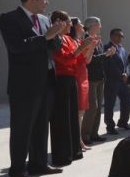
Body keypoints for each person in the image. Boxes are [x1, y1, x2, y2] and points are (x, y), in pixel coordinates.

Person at [0, 0, 67, 177]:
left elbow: (53, 47)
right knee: (22, 128)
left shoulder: (45, 20)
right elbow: (17, 47)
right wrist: (46, 37)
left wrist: (57, 35)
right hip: (24, 85)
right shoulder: (9, 19)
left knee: (41, 126)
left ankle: (39, 164)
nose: (47, 2)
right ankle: (17, 170)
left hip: (46, 81)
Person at [50, 10, 96, 166]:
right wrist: (81, 48)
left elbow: (80, 59)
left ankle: (74, 150)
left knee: (72, 117)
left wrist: (89, 47)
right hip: (61, 80)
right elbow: (64, 60)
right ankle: (63, 154)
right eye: (68, 23)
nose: (70, 26)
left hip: (72, 79)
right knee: (63, 118)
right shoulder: (55, 39)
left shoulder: (68, 39)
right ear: (60, 22)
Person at [81, 16, 116, 144]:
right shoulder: (86, 39)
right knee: (92, 108)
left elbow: (99, 58)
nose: (100, 27)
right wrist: (105, 54)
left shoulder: (98, 40)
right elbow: (89, 60)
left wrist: (108, 54)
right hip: (91, 78)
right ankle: (85, 135)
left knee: (98, 108)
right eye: (99, 24)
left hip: (100, 77)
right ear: (92, 25)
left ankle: (94, 133)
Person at [70, 17, 99, 151]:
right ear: (74, 27)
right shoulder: (71, 40)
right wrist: (85, 46)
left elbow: (87, 60)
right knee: (77, 112)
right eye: (80, 24)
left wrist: (92, 47)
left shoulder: (79, 41)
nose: (83, 26)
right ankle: (77, 141)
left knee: (81, 111)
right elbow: (72, 58)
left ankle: (79, 140)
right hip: (76, 76)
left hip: (83, 77)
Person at [103, 28, 130, 134]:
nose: (120, 38)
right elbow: (109, 65)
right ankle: (110, 126)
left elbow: (127, 63)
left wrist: (126, 73)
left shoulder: (122, 49)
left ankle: (123, 122)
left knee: (127, 99)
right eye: (118, 35)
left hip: (123, 81)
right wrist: (121, 75)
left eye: (121, 36)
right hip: (112, 80)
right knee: (110, 104)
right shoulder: (106, 48)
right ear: (111, 36)